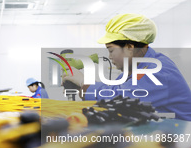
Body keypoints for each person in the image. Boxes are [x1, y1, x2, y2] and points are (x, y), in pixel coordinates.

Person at [62, 13, 191, 121]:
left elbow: (119, 99)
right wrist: (81, 89)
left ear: (130, 47)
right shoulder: (133, 70)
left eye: (111, 51)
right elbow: (114, 89)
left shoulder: (158, 70)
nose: (110, 56)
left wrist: (84, 82)